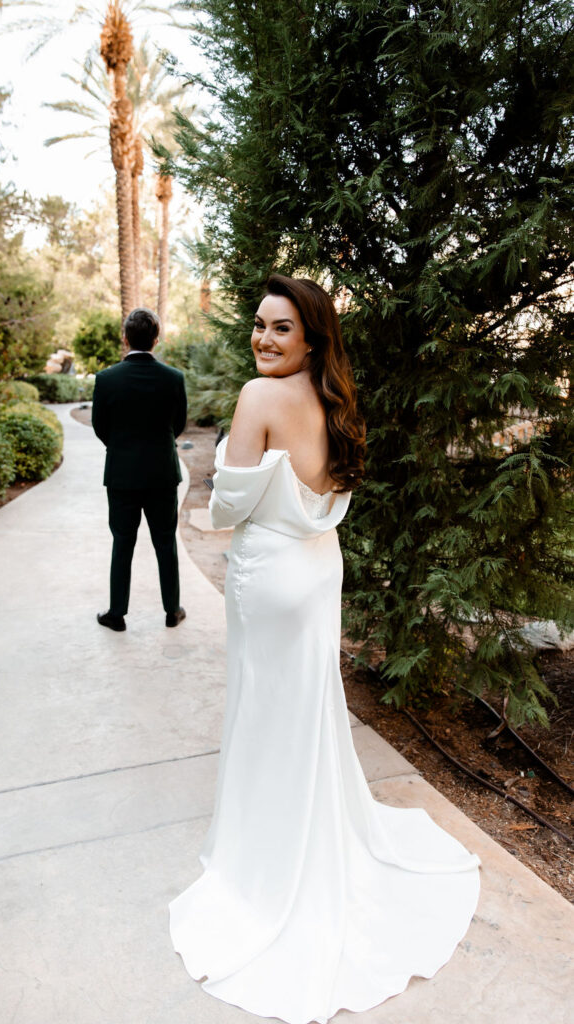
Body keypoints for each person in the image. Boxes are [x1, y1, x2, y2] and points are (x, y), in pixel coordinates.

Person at [169, 275, 481, 1023]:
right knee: (306, 709)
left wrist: (221, 469)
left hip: (269, 572)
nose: (263, 339)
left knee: (264, 712)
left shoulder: (258, 396)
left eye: (281, 328)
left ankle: (268, 863)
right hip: (315, 566)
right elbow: (333, 488)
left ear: (310, 338)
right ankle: (309, 836)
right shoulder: (333, 397)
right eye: (258, 325)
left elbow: (228, 505)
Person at [91, 307, 187, 631]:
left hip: (122, 475)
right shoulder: (174, 378)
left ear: (125, 338)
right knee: (166, 543)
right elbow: (178, 425)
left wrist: (121, 447)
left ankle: (117, 614)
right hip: (162, 474)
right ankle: (172, 610)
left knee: (122, 543)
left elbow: (100, 426)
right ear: (156, 339)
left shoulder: (106, 379)